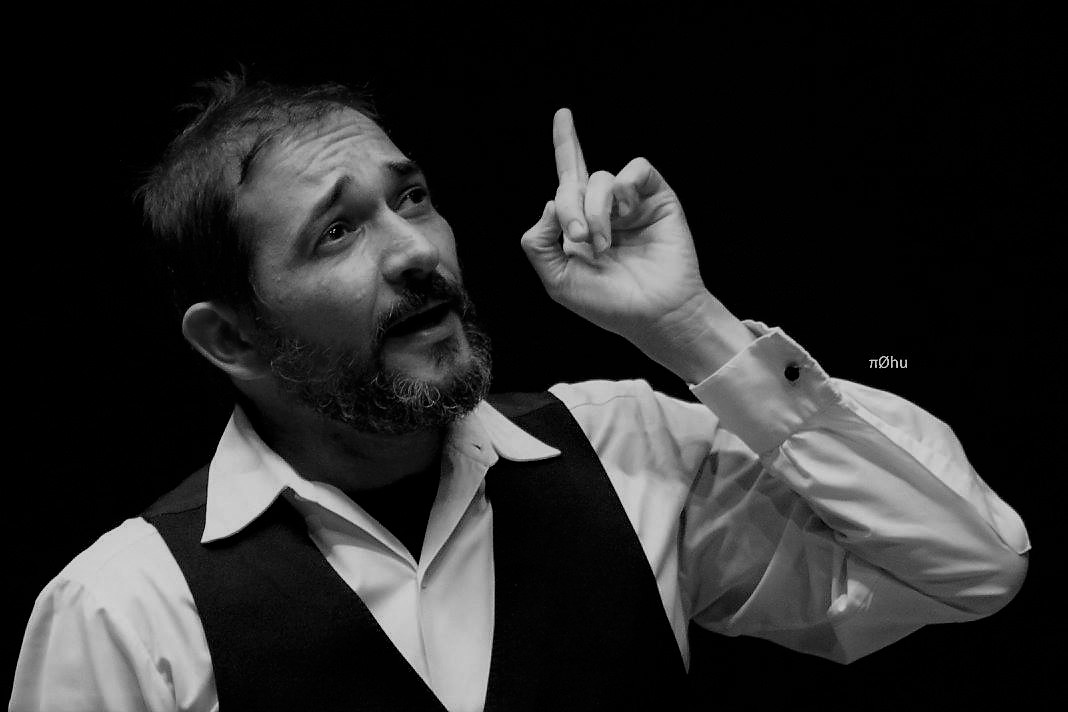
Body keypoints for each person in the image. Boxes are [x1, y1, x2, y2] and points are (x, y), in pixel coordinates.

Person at [11, 75, 1030, 712]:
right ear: (232, 337)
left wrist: (689, 326)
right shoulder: (128, 608)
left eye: (413, 198)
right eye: (338, 231)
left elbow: (971, 567)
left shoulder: (626, 452)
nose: (416, 250)